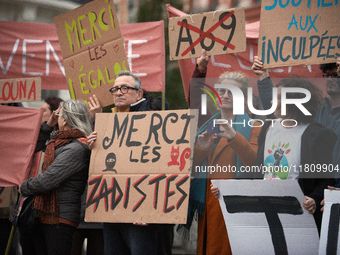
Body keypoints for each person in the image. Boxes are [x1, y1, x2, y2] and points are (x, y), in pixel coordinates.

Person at [181, 51, 261, 255]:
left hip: (237, 206)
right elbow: (190, 163)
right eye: (221, 91)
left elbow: (255, 164)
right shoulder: (209, 125)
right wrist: (203, 147)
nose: (224, 96)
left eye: (231, 93)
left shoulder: (254, 125)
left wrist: (233, 135)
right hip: (208, 205)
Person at [250, 62, 337, 231]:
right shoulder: (268, 128)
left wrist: (313, 198)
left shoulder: (318, 135)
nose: (273, 101)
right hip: (266, 212)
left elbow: (327, 179)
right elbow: (256, 171)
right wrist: (225, 191)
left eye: (279, 98)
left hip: (300, 219)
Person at [87, 71, 158, 255]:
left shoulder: (154, 122)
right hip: (112, 206)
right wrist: (95, 144)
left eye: (125, 88)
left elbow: (159, 168)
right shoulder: (108, 121)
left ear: (139, 94)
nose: (119, 92)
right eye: (115, 89)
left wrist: (150, 209)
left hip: (139, 211)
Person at [252, 56, 340, 187]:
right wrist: (264, 77)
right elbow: (281, 108)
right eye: (326, 75)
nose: (330, 79)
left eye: (335, 75)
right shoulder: (315, 110)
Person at [19, 100, 92, 255]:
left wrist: (24, 187)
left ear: (64, 120)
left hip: (60, 218)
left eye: (59, 115)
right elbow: (36, 146)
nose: (56, 118)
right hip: (46, 216)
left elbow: (48, 180)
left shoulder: (77, 147)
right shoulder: (58, 142)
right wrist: (47, 125)